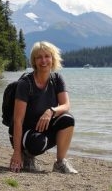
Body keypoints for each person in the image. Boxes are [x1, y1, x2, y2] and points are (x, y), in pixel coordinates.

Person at [9, 41, 77, 174]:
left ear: (53, 58)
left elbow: (66, 105)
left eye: (47, 56)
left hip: (43, 128)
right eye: (39, 57)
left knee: (68, 119)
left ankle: (60, 163)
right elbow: (18, 121)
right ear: (34, 61)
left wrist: (51, 111)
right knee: (38, 143)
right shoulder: (25, 83)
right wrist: (16, 153)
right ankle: (26, 155)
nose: (43, 60)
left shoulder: (57, 79)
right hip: (24, 131)